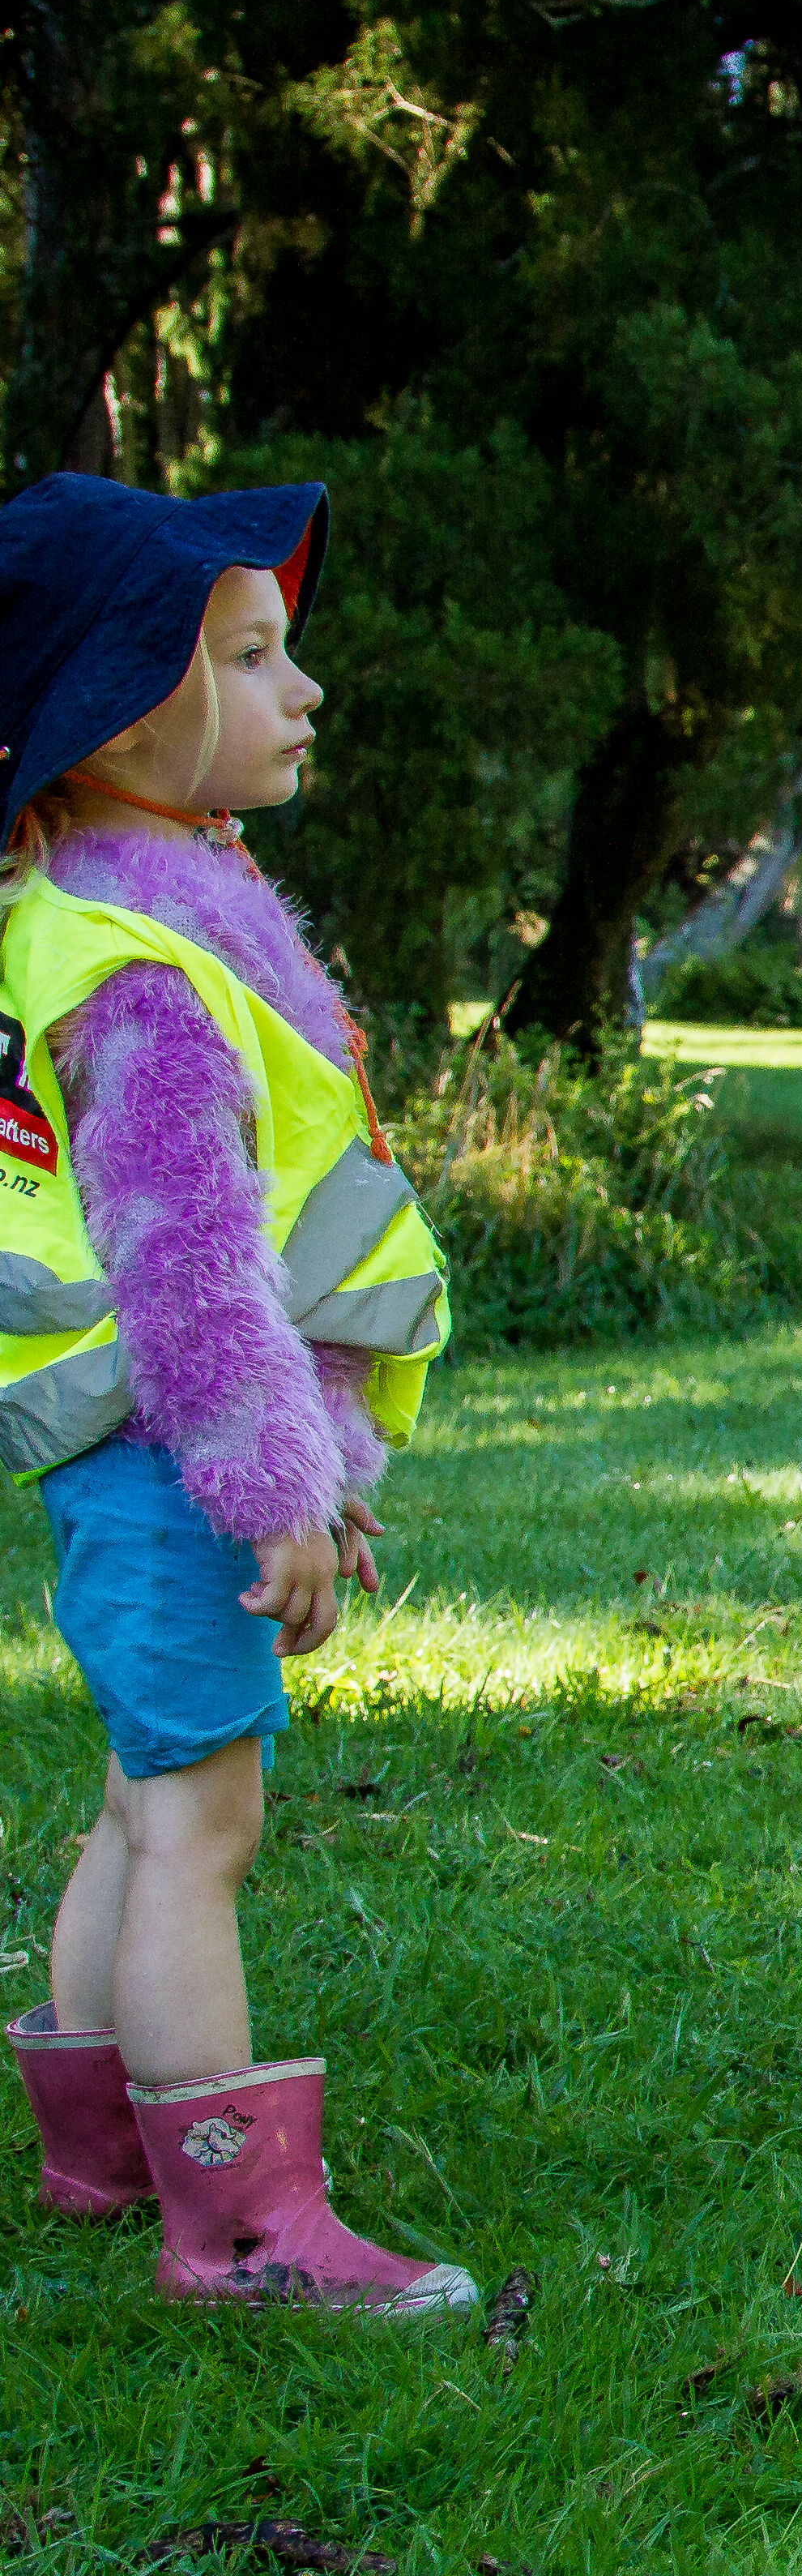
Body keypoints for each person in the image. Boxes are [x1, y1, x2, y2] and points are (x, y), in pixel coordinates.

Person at [0, 474, 465, 2316]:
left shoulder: (111, 900)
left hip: (127, 1459)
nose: (304, 690)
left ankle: (95, 2153)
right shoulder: (147, 968)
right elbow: (188, 1270)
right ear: (120, 710)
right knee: (202, 1822)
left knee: (140, 1796)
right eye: (255, 658)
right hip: (176, 1458)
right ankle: (247, 2229)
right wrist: (274, 1484)